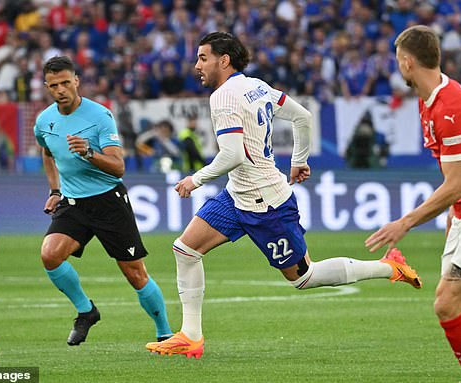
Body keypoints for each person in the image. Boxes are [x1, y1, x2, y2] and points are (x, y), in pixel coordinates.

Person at [146, 32, 422, 359]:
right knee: (185, 249)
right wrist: (299, 159)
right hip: (237, 196)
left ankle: (389, 267)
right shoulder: (257, 86)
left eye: (203, 58)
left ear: (224, 60)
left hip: (267, 203)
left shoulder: (222, 96)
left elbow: (233, 154)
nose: (197, 66)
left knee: (304, 278)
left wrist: (197, 178)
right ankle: (190, 336)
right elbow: (303, 116)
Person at [33, 56, 172, 346]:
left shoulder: (99, 116)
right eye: (54, 85)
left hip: (109, 201)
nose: (60, 90)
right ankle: (86, 311)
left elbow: (118, 167)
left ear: (77, 81)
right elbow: (47, 152)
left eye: (65, 83)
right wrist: (54, 191)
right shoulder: (44, 121)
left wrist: (88, 153)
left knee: (135, 274)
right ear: (47, 87)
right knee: (50, 254)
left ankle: (165, 332)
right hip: (74, 203)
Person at [365, 25, 461, 373]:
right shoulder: (431, 102)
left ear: (407, 62)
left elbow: (457, 183)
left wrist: (405, 222)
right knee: (449, 303)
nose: (397, 68)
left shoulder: (451, 106)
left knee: (447, 303)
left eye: (397, 61)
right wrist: (454, 211)